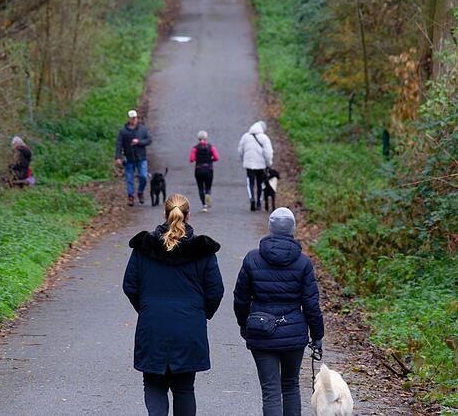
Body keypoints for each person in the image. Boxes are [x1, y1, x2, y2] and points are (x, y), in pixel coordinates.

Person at [123, 194, 224, 416]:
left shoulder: (144, 247)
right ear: (188, 215)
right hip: (189, 326)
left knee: (154, 385)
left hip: (152, 324)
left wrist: (146, 307)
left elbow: (130, 285)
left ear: (164, 214)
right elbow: (215, 290)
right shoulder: (202, 250)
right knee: (184, 388)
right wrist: (201, 312)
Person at [233, 207, 324, 416]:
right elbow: (311, 304)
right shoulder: (303, 262)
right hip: (293, 332)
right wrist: (317, 335)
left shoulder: (252, 259)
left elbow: (240, 298)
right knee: (291, 385)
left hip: (261, 331)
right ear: (293, 229)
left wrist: (243, 323)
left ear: (270, 229)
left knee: (270, 390)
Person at [115, 109, 152, 206]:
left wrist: (139, 142)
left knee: (143, 176)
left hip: (141, 157)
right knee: (129, 178)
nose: (134, 120)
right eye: (132, 118)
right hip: (129, 158)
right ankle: (130, 196)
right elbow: (119, 144)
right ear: (129, 119)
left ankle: (140, 192)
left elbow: (148, 140)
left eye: (135, 118)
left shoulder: (142, 129)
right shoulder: (123, 131)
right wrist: (118, 157)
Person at [238, 121, 273, 211]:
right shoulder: (264, 138)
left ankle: (251, 197)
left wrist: (243, 159)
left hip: (249, 164)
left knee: (250, 183)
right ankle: (258, 202)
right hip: (261, 165)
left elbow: (240, 150)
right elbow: (268, 153)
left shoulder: (245, 136)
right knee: (260, 183)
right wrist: (268, 163)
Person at [189, 130, 220, 212]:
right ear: (206, 138)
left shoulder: (195, 148)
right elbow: (217, 157)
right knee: (208, 186)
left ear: (198, 138)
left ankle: (204, 205)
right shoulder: (211, 147)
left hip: (199, 169)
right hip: (209, 169)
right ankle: (208, 194)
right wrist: (211, 159)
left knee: (200, 187)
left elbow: (191, 159)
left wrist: (197, 159)